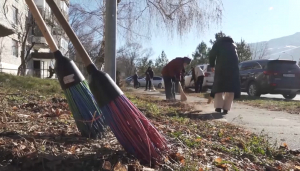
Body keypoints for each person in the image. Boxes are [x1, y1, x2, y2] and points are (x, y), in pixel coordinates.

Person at [209, 36, 241, 114]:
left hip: (221, 68)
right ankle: (226, 108)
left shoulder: (218, 44)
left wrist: (212, 65)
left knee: (219, 88)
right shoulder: (234, 45)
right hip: (233, 69)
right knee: (231, 89)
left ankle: (218, 107)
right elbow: (237, 58)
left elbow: (212, 54)